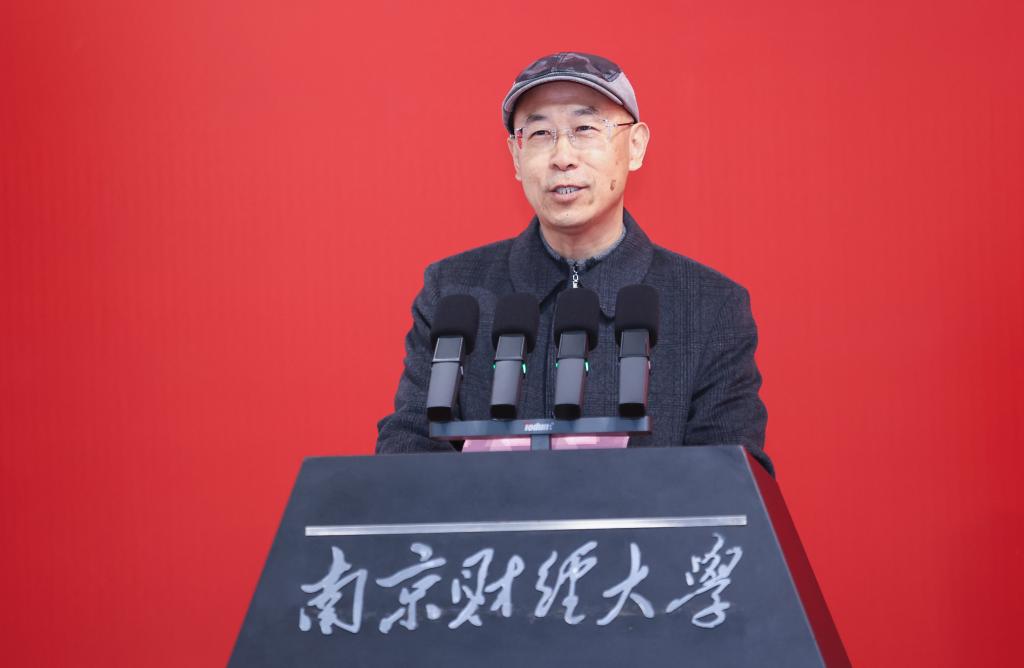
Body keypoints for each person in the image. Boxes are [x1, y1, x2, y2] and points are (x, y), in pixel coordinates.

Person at [375, 52, 771, 474]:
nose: (562, 156)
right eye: (540, 133)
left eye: (585, 129)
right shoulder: (455, 294)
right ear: (516, 156)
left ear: (635, 146)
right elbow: (407, 447)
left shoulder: (708, 305)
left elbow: (731, 479)